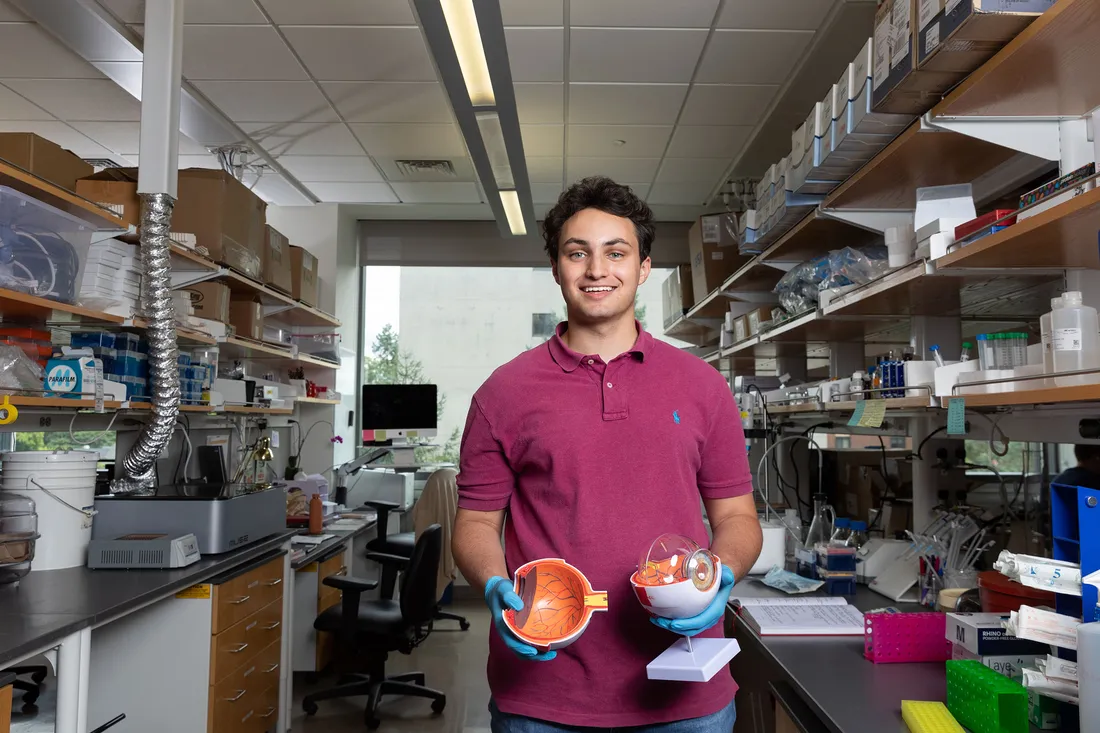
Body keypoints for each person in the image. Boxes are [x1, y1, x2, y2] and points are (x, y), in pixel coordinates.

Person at [453, 176, 762, 732]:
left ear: (644, 267)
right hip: (543, 696)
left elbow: (737, 518)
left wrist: (723, 574)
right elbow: (475, 522)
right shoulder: (503, 393)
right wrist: (494, 584)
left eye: (616, 253)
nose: (597, 271)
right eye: (578, 253)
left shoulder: (702, 386)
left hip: (684, 693)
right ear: (556, 267)